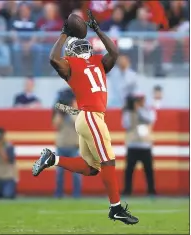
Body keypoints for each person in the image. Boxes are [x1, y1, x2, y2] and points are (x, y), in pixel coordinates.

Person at [32, 10, 139, 225]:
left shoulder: (97, 62)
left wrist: (96, 30)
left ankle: (53, 159)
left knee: (92, 168)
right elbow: (55, 58)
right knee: (108, 160)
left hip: (88, 117)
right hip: (90, 116)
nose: (82, 47)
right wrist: (69, 32)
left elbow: (114, 52)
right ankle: (116, 208)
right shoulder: (77, 65)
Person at [122, 93, 157, 196]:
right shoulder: (128, 113)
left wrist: (139, 110)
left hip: (145, 145)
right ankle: (127, 190)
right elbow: (126, 124)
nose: (138, 103)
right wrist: (132, 111)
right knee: (129, 170)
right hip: (133, 145)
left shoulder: (148, 110)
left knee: (149, 170)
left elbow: (150, 119)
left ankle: (151, 191)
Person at [53, 90, 81, 198]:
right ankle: (58, 194)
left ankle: (76, 194)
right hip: (61, 146)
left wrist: (68, 107)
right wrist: (60, 111)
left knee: (77, 174)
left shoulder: (76, 111)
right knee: (59, 173)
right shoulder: (60, 112)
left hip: (74, 146)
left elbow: (77, 121)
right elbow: (56, 125)